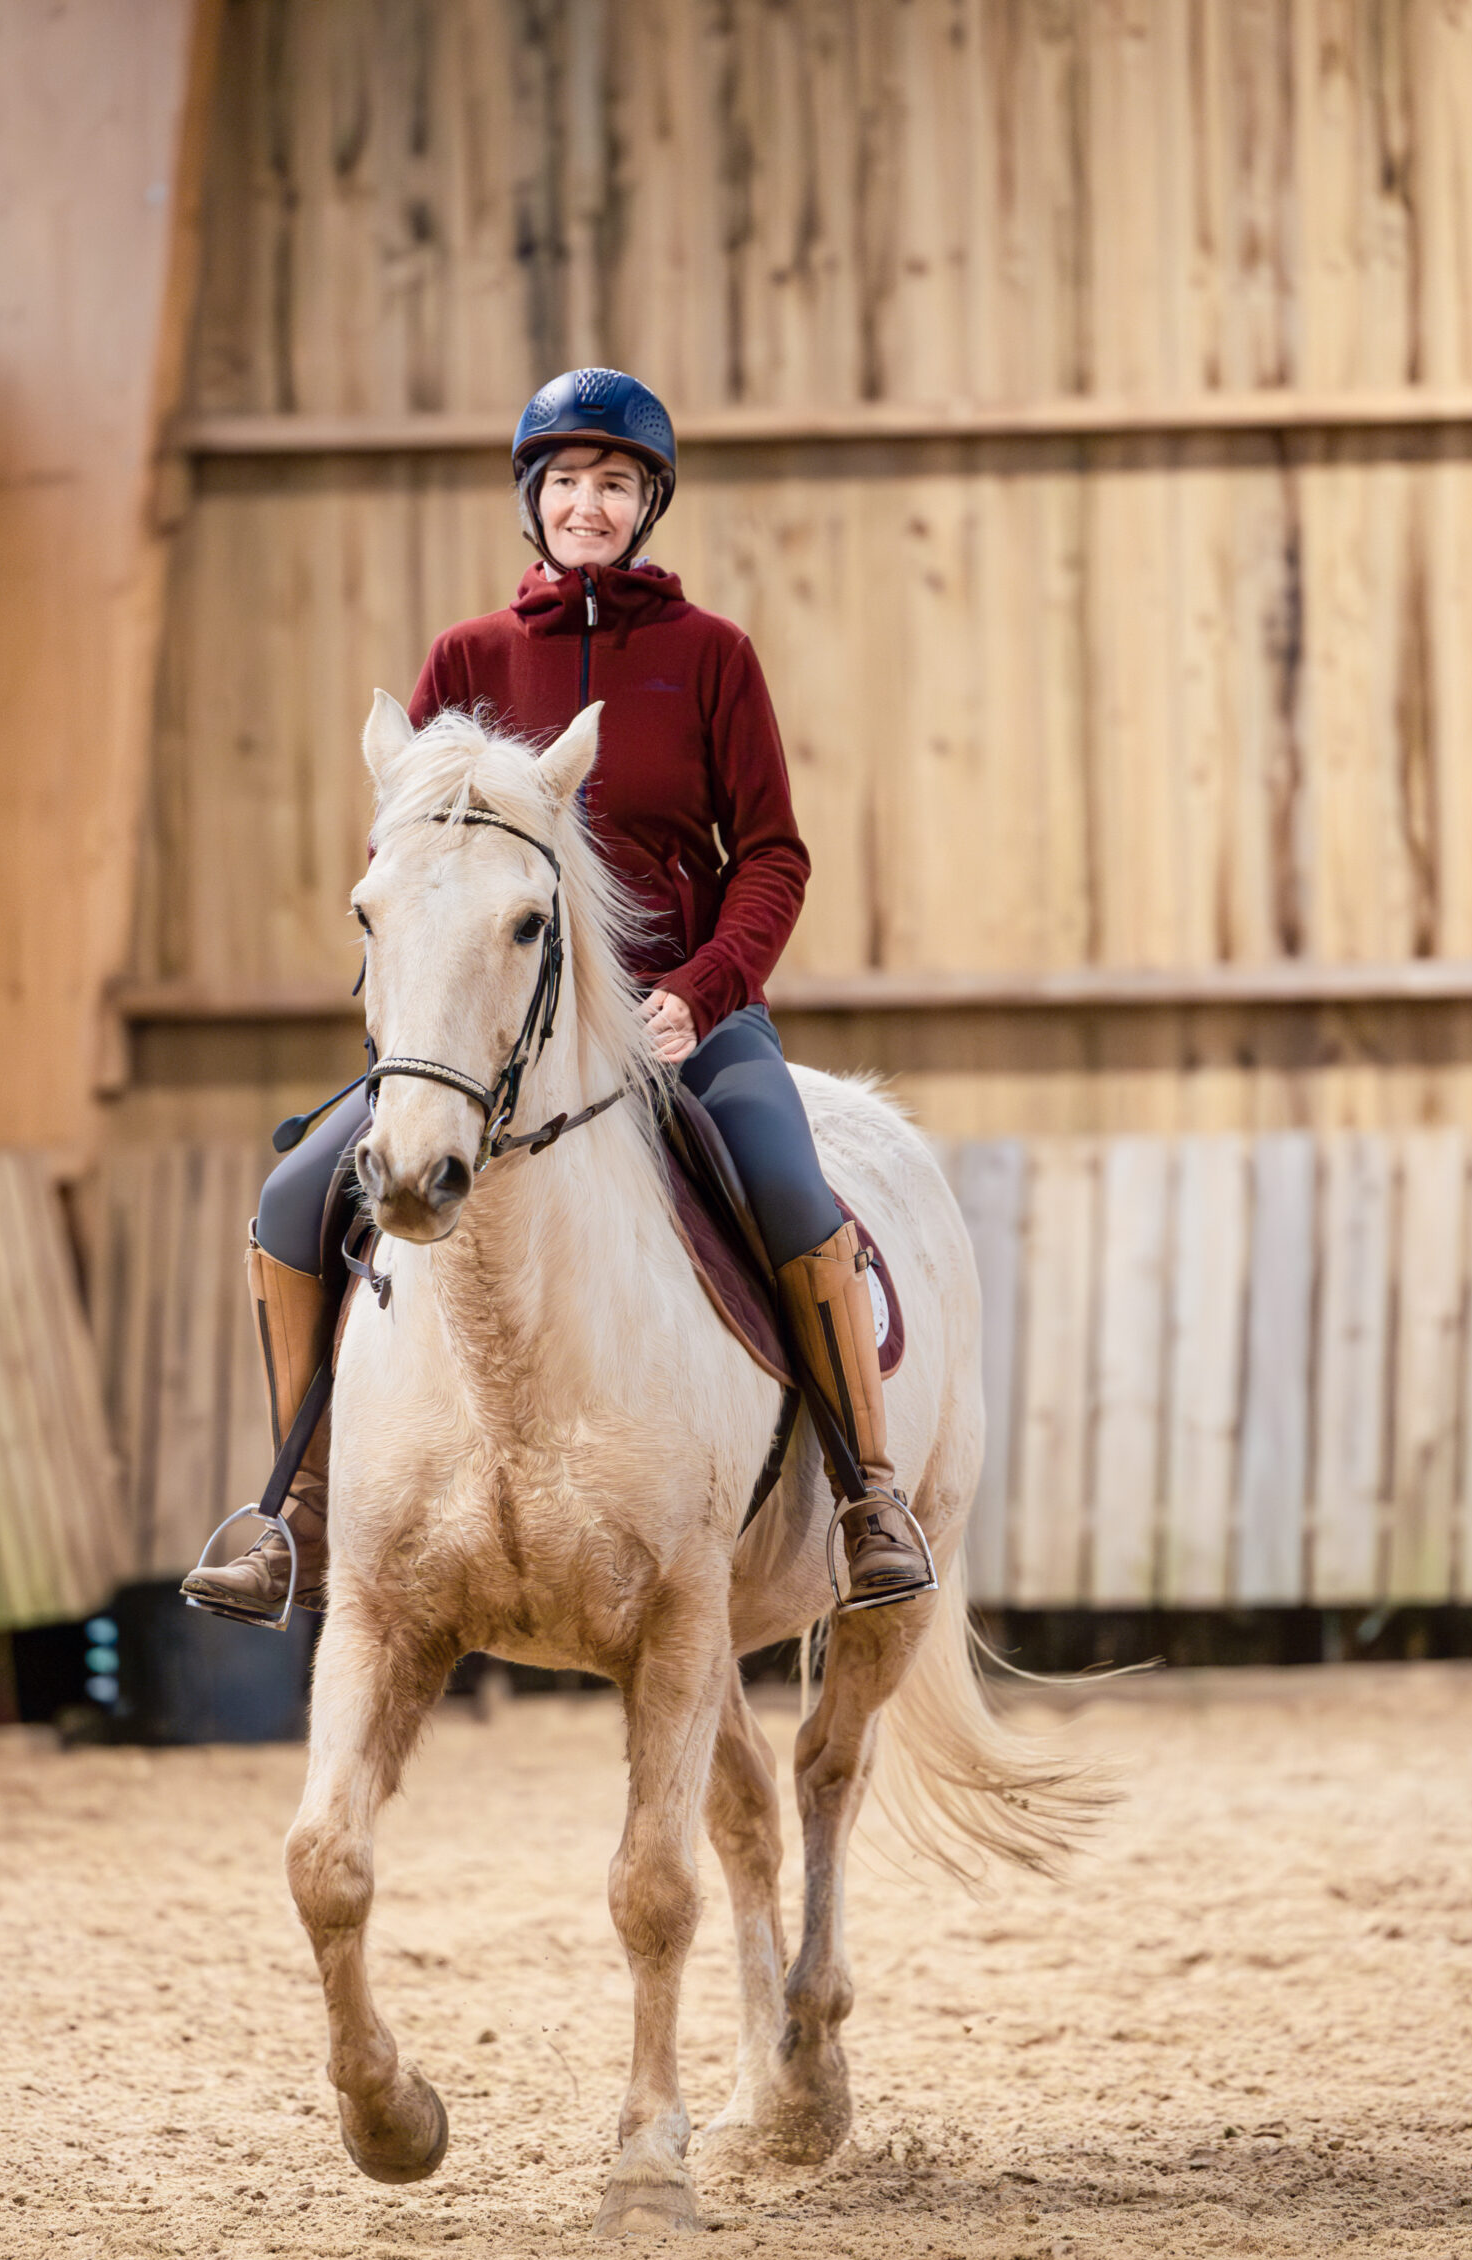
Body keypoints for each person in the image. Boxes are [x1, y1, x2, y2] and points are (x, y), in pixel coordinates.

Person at [182, 366, 935, 1624]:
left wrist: (702, 990)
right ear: (535, 502)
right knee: (290, 1200)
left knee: (795, 1190)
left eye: (618, 484)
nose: (592, 504)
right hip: (487, 1032)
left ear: (649, 506)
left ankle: (867, 1496)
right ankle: (296, 1508)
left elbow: (772, 855)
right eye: (570, 482)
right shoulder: (465, 659)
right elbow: (406, 865)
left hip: (673, 1017)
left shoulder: (712, 659)